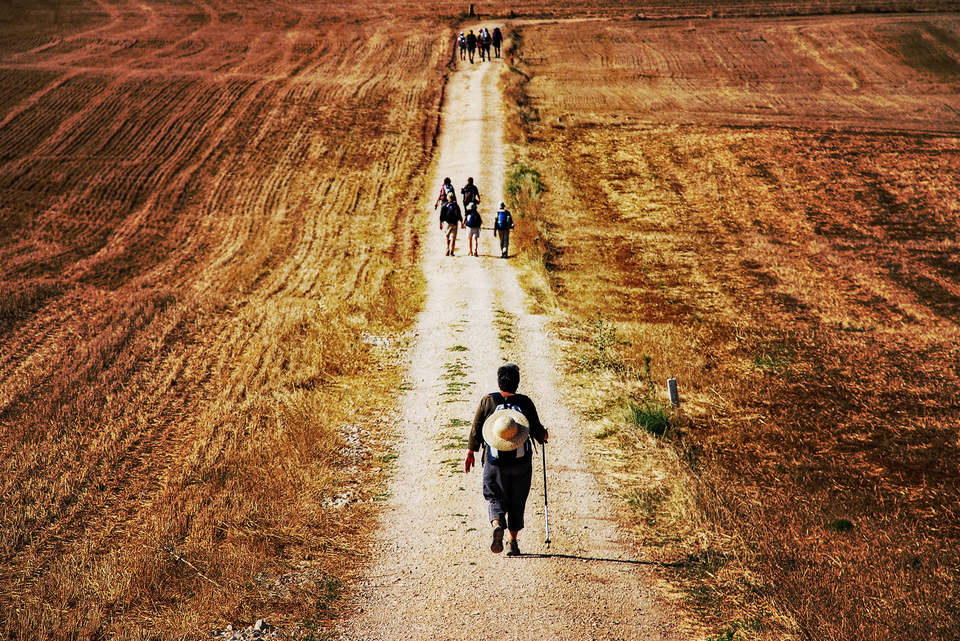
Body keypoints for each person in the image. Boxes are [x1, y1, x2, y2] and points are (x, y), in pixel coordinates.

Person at [464, 363, 548, 556]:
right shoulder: (525, 402)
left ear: (498, 381)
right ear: (517, 383)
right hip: (521, 463)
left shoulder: (488, 401)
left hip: (495, 463)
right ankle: (512, 542)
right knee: (518, 500)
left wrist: (470, 452)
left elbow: (477, 428)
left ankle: (497, 524)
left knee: (495, 495)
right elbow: (537, 430)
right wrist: (544, 435)